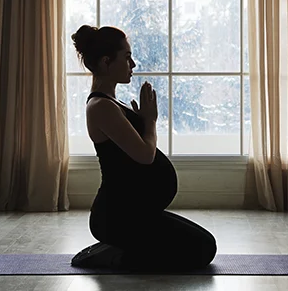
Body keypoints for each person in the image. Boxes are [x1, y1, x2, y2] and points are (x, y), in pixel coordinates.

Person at [69, 25, 217, 272]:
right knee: (201, 250)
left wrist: (144, 121)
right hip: (117, 218)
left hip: (135, 214)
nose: (133, 64)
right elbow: (145, 156)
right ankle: (114, 255)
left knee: (204, 244)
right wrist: (149, 121)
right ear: (106, 62)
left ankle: (120, 249)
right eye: (126, 57)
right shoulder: (100, 107)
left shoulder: (114, 104)